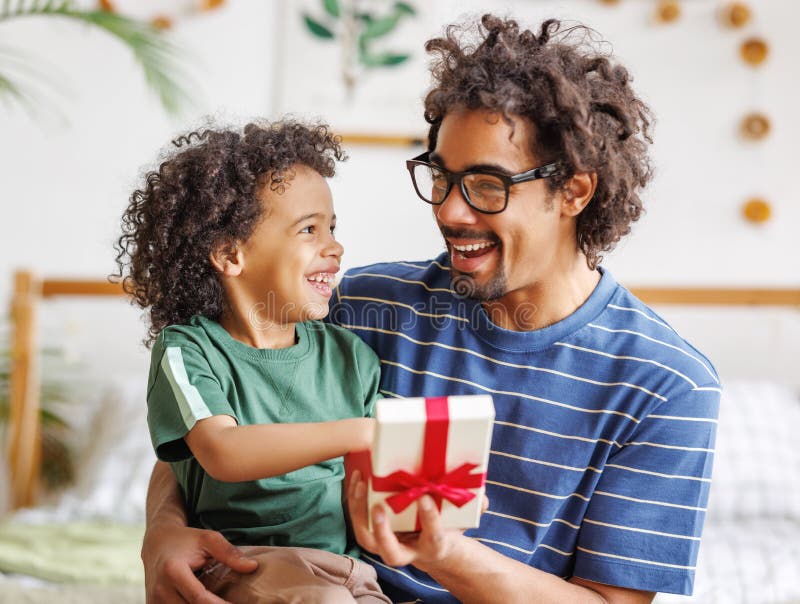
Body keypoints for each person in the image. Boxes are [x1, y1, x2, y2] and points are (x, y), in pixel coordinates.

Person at [139, 15, 721, 604]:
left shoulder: (666, 385)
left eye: (487, 185)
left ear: (573, 190)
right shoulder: (356, 306)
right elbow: (218, 422)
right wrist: (163, 530)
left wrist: (443, 553)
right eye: (441, 177)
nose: (451, 212)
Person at [116, 120, 391, 603]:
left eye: (332, 227)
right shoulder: (188, 350)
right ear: (229, 255)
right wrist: (360, 432)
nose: (334, 246)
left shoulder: (352, 358)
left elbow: (376, 485)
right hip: (239, 567)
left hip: (351, 573)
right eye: (309, 229)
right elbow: (223, 451)